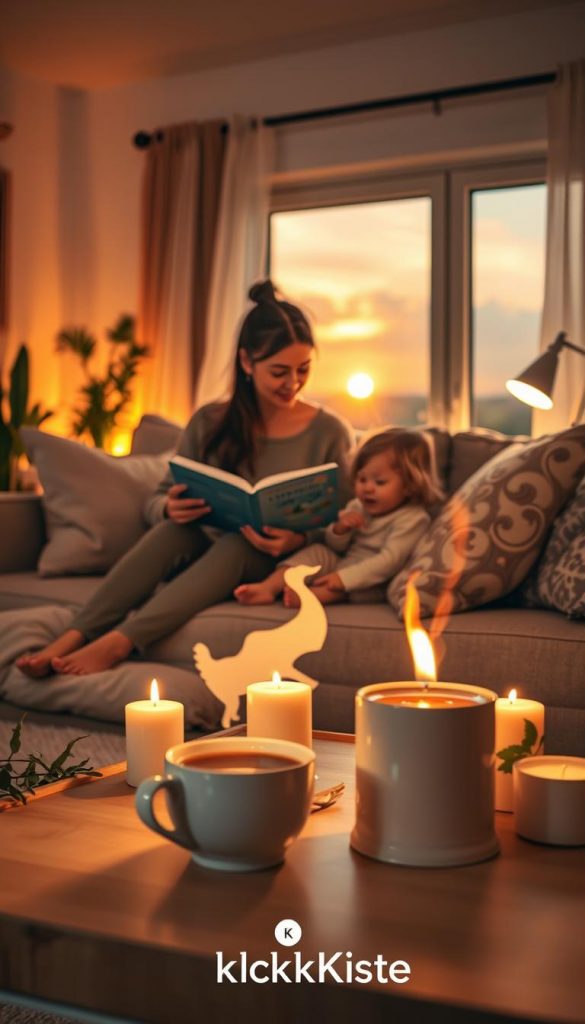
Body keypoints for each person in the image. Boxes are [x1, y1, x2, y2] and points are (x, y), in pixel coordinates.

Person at [16, 280, 352, 678]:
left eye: (303, 370)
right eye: (279, 371)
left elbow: (345, 520)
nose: (292, 383)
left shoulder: (330, 431)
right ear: (246, 362)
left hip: (271, 561)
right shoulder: (211, 421)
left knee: (236, 544)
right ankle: (73, 635)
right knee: (171, 533)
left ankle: (119, 641)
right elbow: (155, 500)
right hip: (200, 548)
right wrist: (169, 507)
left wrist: (301, 538)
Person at [235, 428, 443, 607]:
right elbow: (336, 546)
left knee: (350, 590)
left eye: (379, 482)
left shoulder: (413, 519)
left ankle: (308, 597)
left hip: (373, 579)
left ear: (410, 485)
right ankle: (268, 588)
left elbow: (389, 562)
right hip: (344, 563)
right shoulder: (357, 506)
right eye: (362, 479)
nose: (367, 488)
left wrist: (343, 579)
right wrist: (340, 530)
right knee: (318, 551)